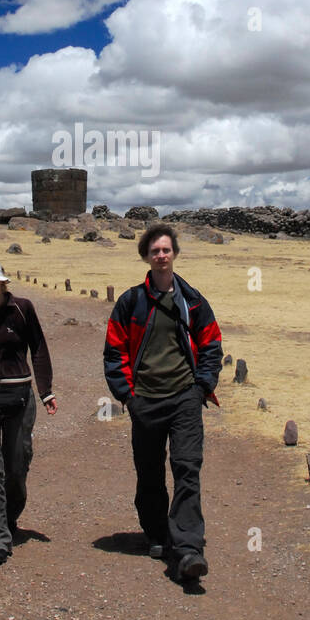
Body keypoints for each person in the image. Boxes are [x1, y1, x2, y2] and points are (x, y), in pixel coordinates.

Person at [104, 223, 222, 581]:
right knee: (150, 471)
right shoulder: (130, 302)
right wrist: (127, 396)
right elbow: (114, 350)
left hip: (184, 396)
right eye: (155, 251)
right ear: (146, 256)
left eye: (166, 250)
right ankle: (155, 532)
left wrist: (201, 388)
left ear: (174, 254)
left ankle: (188, 550)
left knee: (187, 468)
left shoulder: (193, 301)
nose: (161, 256)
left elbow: (212, 345)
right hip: (146, 401)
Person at [0, 256, 57, 564]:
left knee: (16, 468)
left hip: (19, 397)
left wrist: (45, 392)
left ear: (2, 281)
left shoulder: (23, 309)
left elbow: (39, 348)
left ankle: (8, 517)